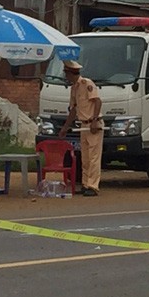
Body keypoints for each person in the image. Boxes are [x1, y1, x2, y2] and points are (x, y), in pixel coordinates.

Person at [58, 60, 103, 196]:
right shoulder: (74, 88)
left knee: (94, 157)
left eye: (66, 74)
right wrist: (65, 127)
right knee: (85, 157)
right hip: (83, 125)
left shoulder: (87, 84)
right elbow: (73, 110)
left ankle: (93, 186)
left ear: (71, 73)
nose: (66, 77)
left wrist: (94, 121)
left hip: (93, 124)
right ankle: (85, 184)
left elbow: (97, 101)